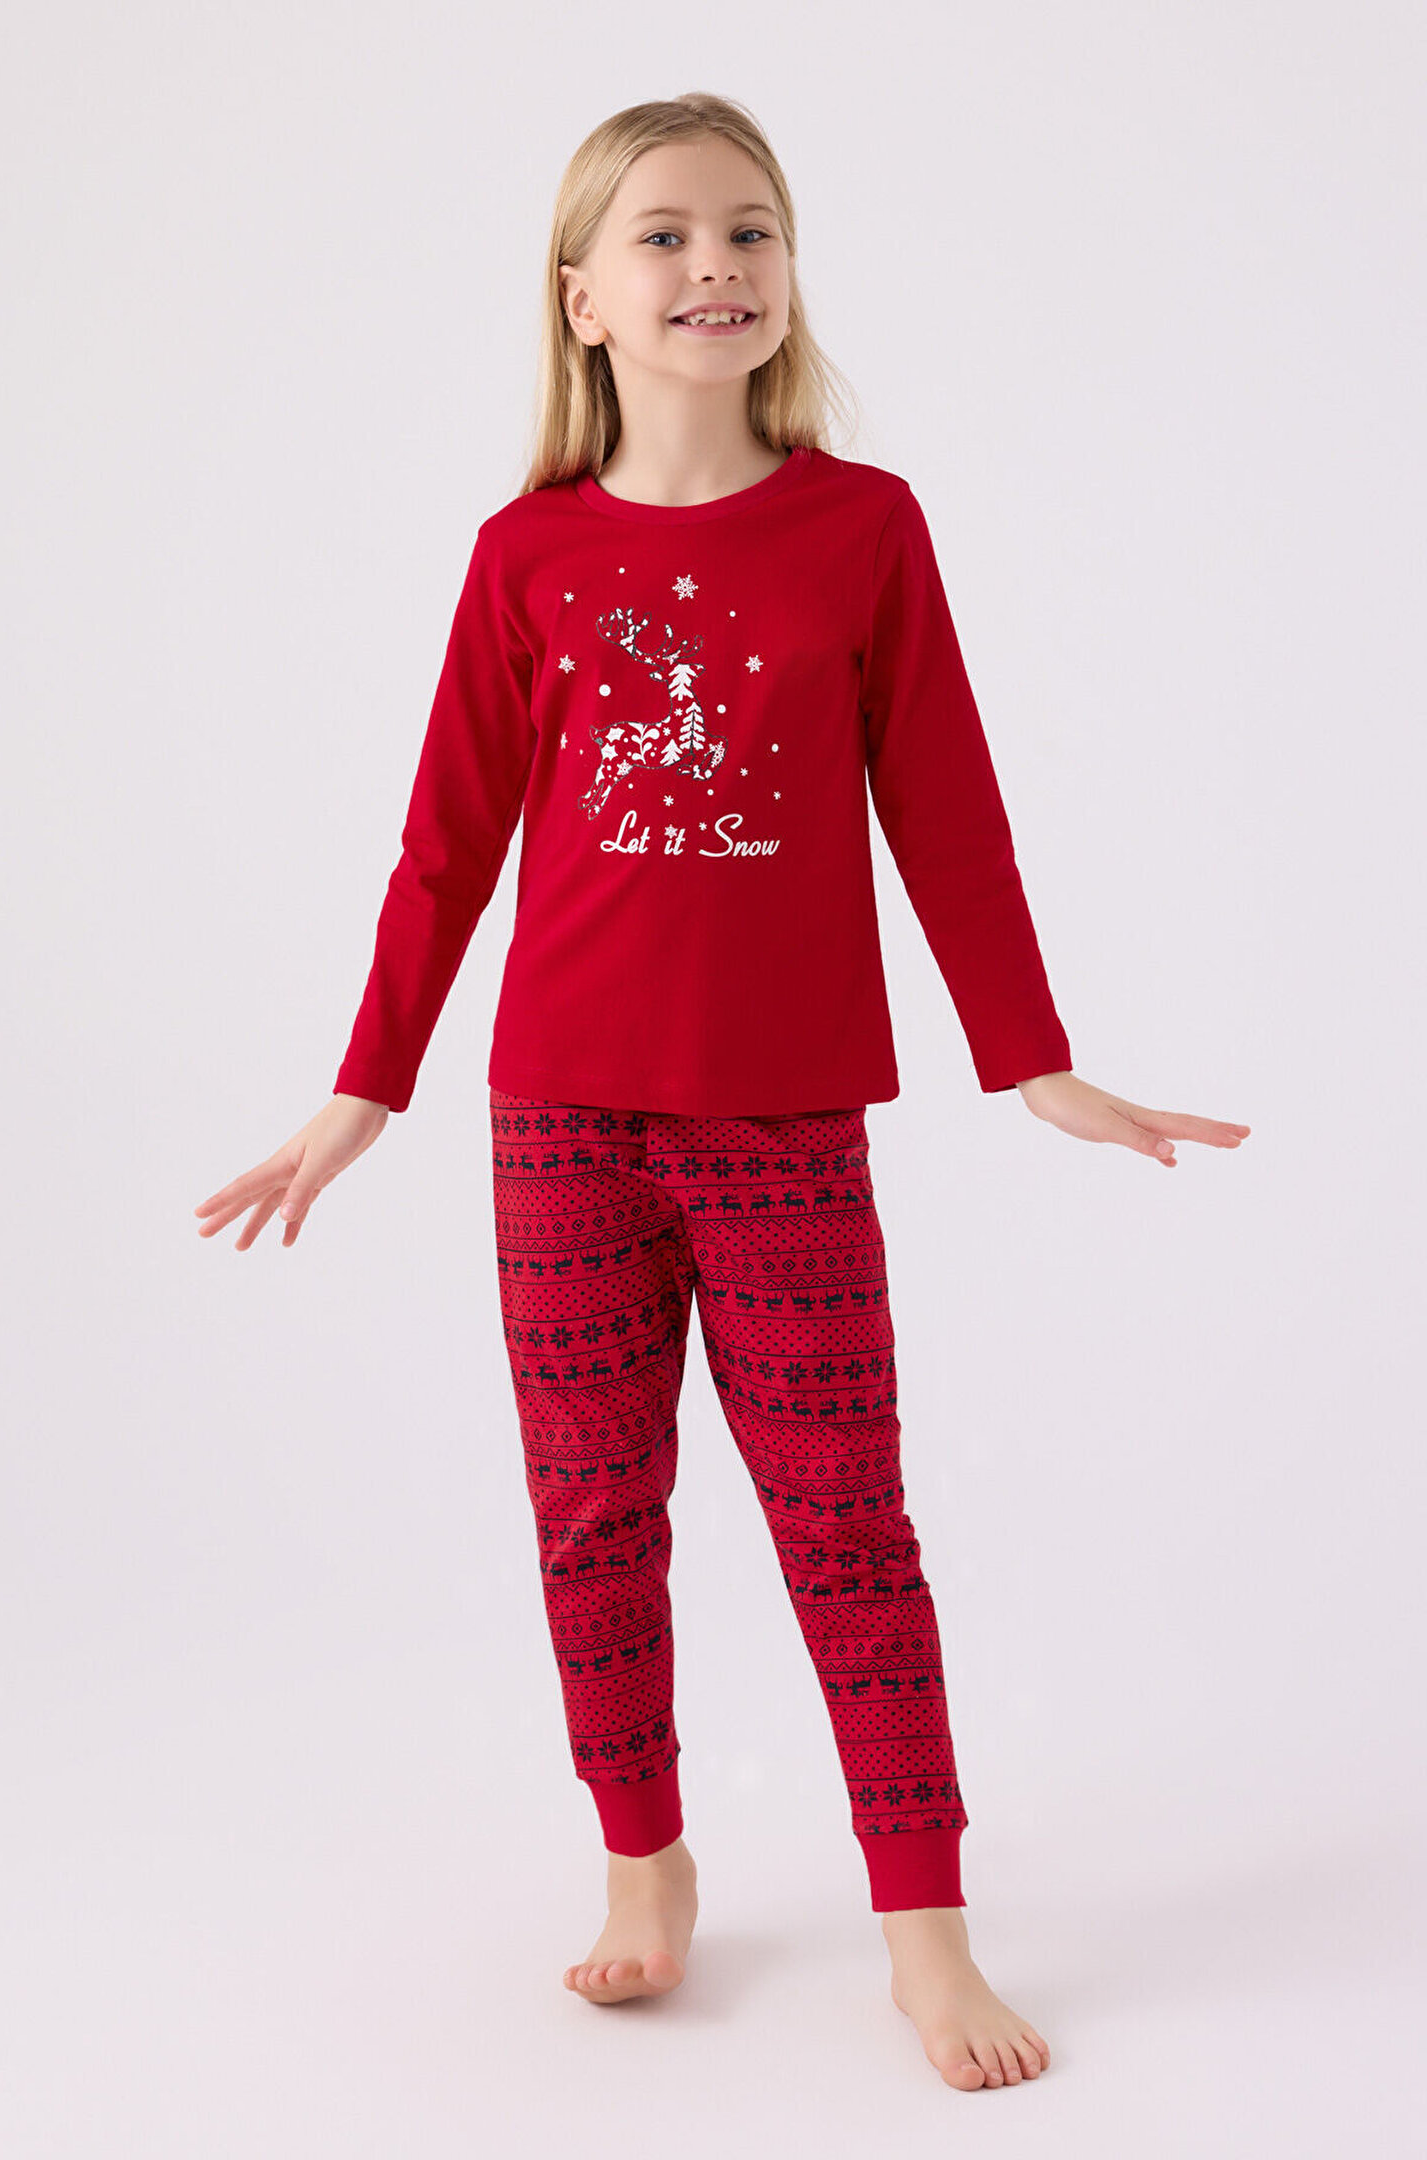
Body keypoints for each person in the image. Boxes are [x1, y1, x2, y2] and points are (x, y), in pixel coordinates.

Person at [194, 93, 1250, 2091]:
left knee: (847, 1518)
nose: (716, 267)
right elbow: (445, 845)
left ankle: (924, 1931)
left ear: (788, 274)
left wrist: (1034, 1060)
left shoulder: (864, 528)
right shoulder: (526, 556)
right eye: (667, 236)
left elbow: (948, 809)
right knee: (595, 1514)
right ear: (582, 297)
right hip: (559, 1121)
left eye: (751, 231)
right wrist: (364, 1090)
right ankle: (645, 1863)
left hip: (783, 1124)